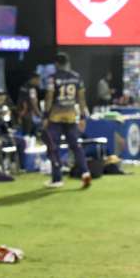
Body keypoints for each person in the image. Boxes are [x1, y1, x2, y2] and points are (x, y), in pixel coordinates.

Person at [43, 52, 92, 189]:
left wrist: (45, 116)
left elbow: (49, 97)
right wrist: (82, 117)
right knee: (76, 147)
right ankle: (85, 173)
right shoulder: (77, 77)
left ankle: (57, 178)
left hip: (55, 117)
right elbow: (81, 99)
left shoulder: (53, 78)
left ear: (56, 64)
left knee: (53, 147)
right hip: (71, 117)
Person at [16, 72, 42, 137]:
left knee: (25, 133)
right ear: (33, 79)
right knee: (29, 134)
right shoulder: (31, 89)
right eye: (38, 79)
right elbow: (33, 102)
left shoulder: (23, 86)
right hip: (28, 114)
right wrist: (39, 114)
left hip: (22, 113)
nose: (39, 82)